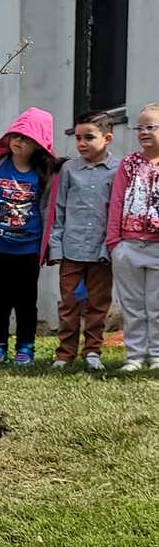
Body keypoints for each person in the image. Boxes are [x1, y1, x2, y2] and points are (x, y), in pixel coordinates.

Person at [0, 107, 56, 366]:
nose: (18, 141)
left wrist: (47, 246)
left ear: (38, 144)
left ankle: (25, 346)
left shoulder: (44, 174)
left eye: (26, 138)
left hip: (28, 249)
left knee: (26, 302)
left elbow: (48, 210)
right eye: (15, 135)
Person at [46, 112, 118, 372]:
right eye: (78, 138)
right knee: (69, 304)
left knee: (98, 305)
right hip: (72, 251)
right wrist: (56, 246)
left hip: (101, 253)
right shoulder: (69, 170)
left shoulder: (118, 170)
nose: (82, 143)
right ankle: (65, 353)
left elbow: (116, 213)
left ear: (107, 138)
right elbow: (59, 209)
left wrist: (108, 247)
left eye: (89, 137)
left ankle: (93, 351)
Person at [106, 102, 159, 372]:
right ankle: (135, 357)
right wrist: (114, 243)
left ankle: (157, 356)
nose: (144, 132)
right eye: (140, 128)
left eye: (151, 127)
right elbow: (116, 202)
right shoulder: (128, 164)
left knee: (156, 305)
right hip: (128, 245)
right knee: (133, 306)